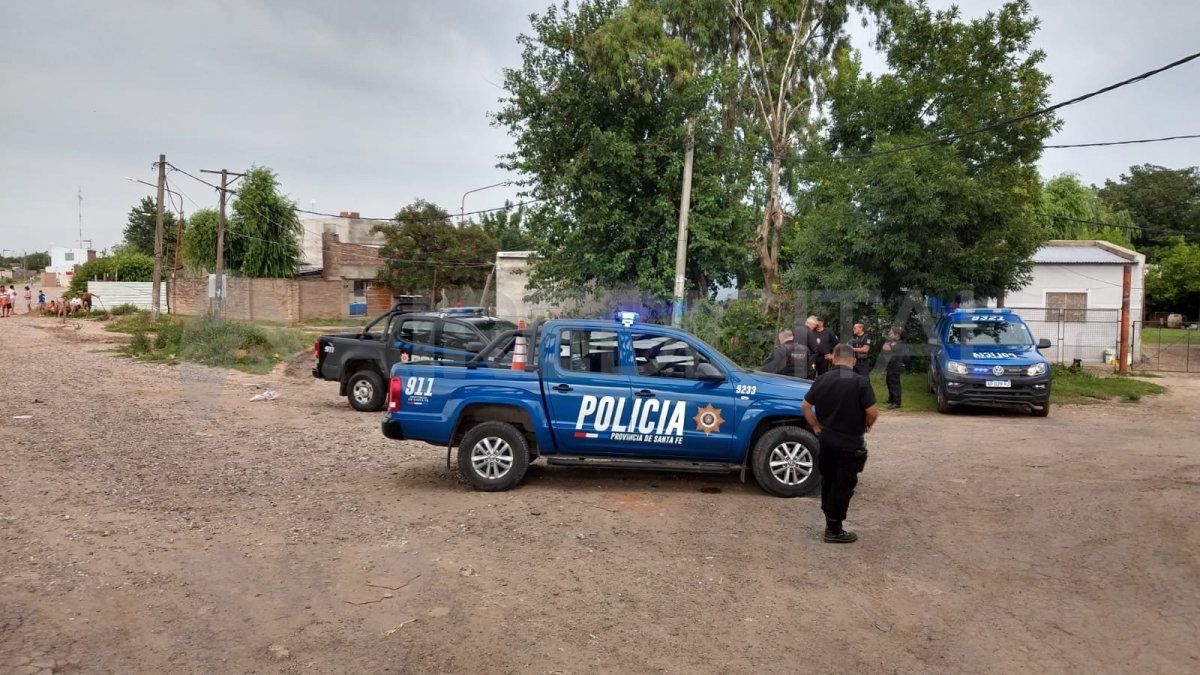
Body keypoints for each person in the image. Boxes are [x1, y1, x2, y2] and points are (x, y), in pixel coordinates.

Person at [802, 344, 879, 543]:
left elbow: (805, 406)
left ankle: (830, 520)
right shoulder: (860, 382)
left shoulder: (822, 379)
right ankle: (834, 530)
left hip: (826, 439)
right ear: (854, 361)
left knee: (828, 480)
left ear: (834, 358)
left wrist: (816, 426)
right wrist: (866, 426)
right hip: (850, 442)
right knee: (844, 485)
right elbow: (872, 412)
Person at [881, 327, 910, 409]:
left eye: (891, 333)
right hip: (891, 365)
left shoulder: (900, 344)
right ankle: (891, 399)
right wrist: (887, 346)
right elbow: (884, 347)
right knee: (889, 382)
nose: (890, 334)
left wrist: (888, 346)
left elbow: (887, 348)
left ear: (897, 334)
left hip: (896, 366)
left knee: (894, 384)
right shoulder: (892, 341)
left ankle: (897, 402)